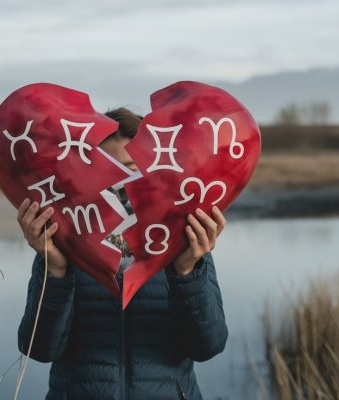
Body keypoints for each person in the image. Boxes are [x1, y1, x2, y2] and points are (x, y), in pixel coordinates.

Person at [16, 107, 228, 400]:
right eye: (105, 169)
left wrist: (186, 271)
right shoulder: (66, 234)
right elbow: (38, 349)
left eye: (130, 168)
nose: (118, 183)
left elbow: (208, 346)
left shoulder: (179, 236)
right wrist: (55, 270)